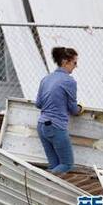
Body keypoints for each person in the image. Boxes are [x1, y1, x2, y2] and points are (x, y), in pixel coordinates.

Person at [35, 47, 81, 175]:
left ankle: (45, 188)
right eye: (75, 63)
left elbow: (38, 104)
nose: (76, 66)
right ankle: (41, 180)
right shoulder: (69, 81)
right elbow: (73, 109)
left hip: (41, 125)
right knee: (67, 164)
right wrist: (80, 109)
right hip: (56, 126)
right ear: (65, 62)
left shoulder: (46, 79)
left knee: (54, 165)